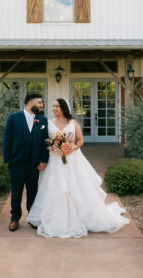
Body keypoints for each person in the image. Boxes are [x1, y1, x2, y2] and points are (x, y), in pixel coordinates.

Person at [27, 98, 130, 238]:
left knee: (75, 185)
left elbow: (80, 140)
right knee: (53, 187)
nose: (54, 108)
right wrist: (54, 147)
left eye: (57, 106)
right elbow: (44, 142)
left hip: (72, 160)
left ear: (64, 108)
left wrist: (71, 147)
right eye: (53, 106)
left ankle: (82, 217)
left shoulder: (73, 123)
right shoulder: (49, 123)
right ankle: (50, 217)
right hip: (54, 161)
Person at [3, 93, 49, 231]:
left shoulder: (42, 120)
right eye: (40, 103)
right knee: (16, 192)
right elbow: (7, 139)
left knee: (33, 191)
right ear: (30, 103)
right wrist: (8, 160)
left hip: (34, 164)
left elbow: (45, 142)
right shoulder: (13, 118)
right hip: (17, 163)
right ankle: (14, 218)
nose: (42, 105)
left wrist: (44, 160)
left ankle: (32, 217)